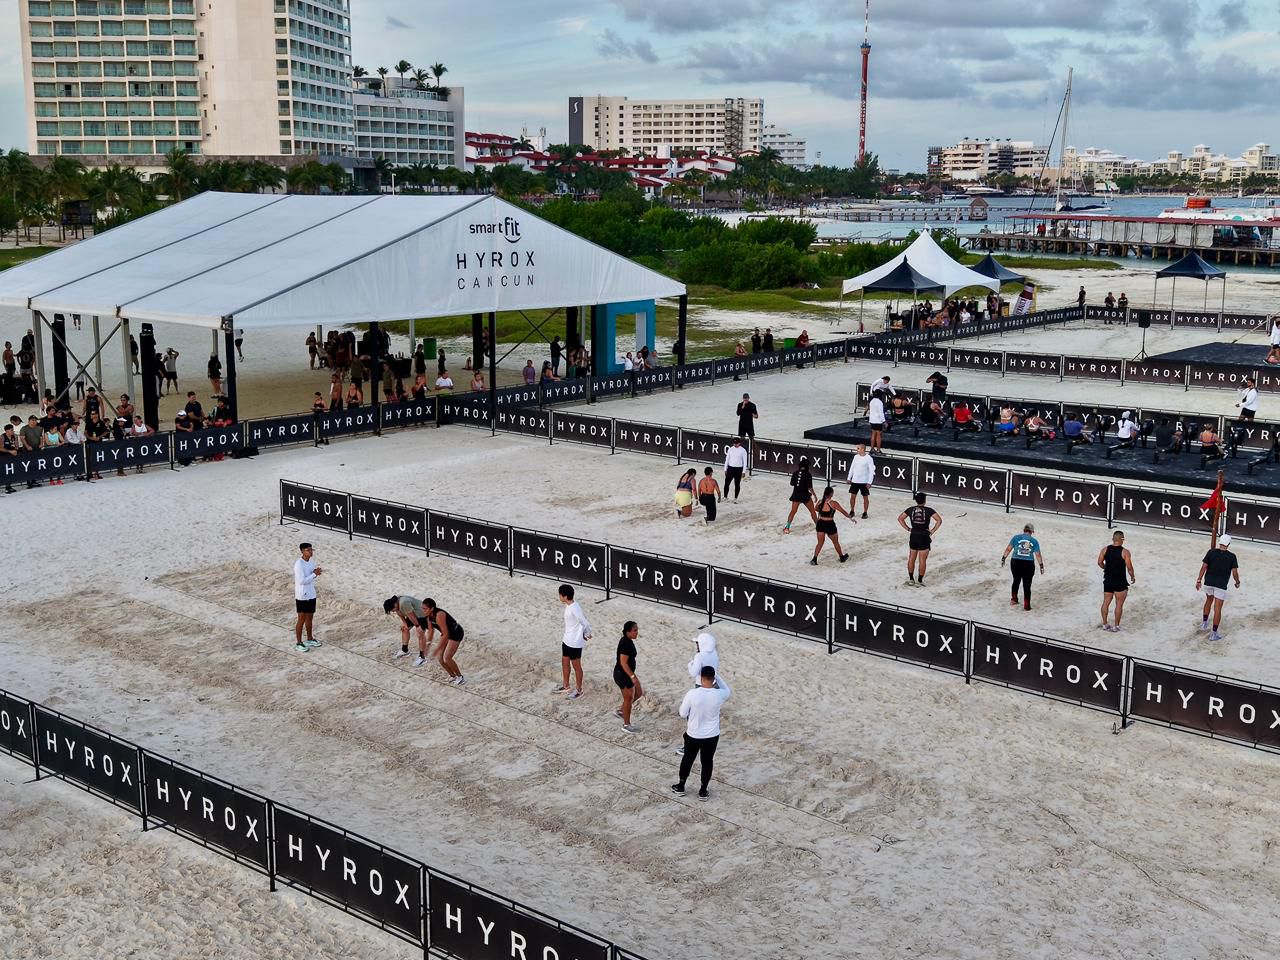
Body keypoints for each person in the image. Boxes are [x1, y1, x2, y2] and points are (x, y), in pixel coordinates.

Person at [672, 665, 731, 801]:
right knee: (707, 762)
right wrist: (717, 676)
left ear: (700, 678)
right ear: (713, 679)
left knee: (688, 759)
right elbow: (727, 689)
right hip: (711, 735)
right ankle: (703, 791)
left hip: (694, 734)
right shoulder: (719, 694)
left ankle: (681, 786)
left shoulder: (692, 694)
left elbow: (682, 713)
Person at [1196, 535, 1240, 642]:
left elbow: (1203, 567)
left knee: (1208, 601)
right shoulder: (1232, 556)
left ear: (1220, 542)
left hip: (1209, 582)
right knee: (1217, 608)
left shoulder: (1211, 552)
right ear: (1228, 544)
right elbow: (1234, 572)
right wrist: (1237, 582)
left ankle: (1204, 624)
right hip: (1221, 585)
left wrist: (1199, 580)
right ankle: (1214, 634)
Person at [555, 584, 592, 700]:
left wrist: (587, 633)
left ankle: (579, 690)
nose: (559, 597)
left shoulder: (575, 608)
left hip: (575, 642)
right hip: (567, 639)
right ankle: (566, 686)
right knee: (565, 661)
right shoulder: (570, 605)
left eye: (560, 595)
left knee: (577, 667)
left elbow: (584, 622)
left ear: (565, 596)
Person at [898, 492, 941, 587]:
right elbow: (939, 520)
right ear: (924, 501)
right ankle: (920, 581)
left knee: (911, 558)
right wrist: (932, 531)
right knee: (922, 560)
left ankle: (911, 579)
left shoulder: (910, 509)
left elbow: (900, 519)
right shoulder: (929, 510)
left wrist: (908, 529)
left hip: (913, 535)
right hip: (924, 536)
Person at [1097, 530, 1135, 633]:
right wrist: (1132, 576)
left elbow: (1099, 562)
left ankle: (1105, 624)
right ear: (1122, 540)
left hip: (1108, 580)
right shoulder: (1125, 552)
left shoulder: (1105, 549)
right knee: (1119, 604)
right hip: (1120, 581)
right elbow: (1129, 568)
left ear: (1113, 539)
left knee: (1106, 602)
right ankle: (1116, 626)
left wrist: (1106, 568)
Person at [1001, 523, 1044, 610]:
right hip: (1028, 564)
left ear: (1024, 530)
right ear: (1032, 531)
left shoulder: (1016, 537)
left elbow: (1008, 549)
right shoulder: (1034, 541)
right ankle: (1026, 606)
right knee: (1027, 584)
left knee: (1016, 580)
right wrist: (1041, 565)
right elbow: (1038, 554)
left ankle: (1014, 600)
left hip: (1015, 562)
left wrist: (1003, 558)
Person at [422, 598, 465, 684]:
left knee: (447, 658)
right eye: (422, 608)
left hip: (456, 633)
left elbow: (446, 634)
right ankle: (453, 676)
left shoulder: (439, 615)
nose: (423, 611)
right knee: (440, 658)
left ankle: (460, 677)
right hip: (446, 633)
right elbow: (431, 631)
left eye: (425, 609)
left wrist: (436, 649)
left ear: (432, 608)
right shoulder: (428, 618)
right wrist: (428, 644)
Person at [811, 486, 852, 565]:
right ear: (831, 494)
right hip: (830, 524)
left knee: (820, 543)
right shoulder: (833, 503)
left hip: (820, 523)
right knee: (835, 542)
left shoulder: (820, 501)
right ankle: (841, 557)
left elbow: (816, 509)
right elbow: (843, 511)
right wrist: (850, 517)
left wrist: (822, 512)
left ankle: (814, 559)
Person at [613, 620, 643, 733]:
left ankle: (622, 711)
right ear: (628, 632)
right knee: (628, 698)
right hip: (622, 674)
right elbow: (623, 663)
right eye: (635, 630)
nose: (637, 632)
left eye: (637, 630)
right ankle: (626, 725)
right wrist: (632, 676)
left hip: (627, 673)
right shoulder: (625, 643)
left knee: (638, 693)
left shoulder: (628, 641)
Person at [293, 543, 323, 653]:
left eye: (311, 550)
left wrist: (315, 573)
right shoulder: (299, 564)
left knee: (310, 618)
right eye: (308, 550)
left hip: (311, 594)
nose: (310, 552)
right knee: (301, 619)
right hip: (302, 595)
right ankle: (299, 643)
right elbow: (302, 581)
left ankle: (309, 639)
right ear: (302, 551)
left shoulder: (311, 562)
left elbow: (310, 576)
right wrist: (315, 574)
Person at [384, 595, 429, 660]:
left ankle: (422, 657)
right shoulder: (396, 603)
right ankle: (405, 651)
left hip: (423, 615)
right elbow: (400, 613)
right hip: (414, 614)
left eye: (392, 610)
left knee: (420, 634)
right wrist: (405, 624)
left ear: (395, 604)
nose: (393, 611)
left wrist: (417, 626)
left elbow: (411, 616)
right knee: (405, 629)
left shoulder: (403, 603)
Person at [784, 462, 816, 533]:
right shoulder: (808, 474)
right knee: (812, 511)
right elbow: (810, 488)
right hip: (805, 495)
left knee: (793, 511)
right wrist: (814, 495)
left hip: (796, 495)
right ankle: (818, 526)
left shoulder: (795, 473)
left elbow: (792, 483)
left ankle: (787, 528)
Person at [846, 443, 875, 518]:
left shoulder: (869, 458)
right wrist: (849, 478)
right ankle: (852, 511)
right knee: (852, 496)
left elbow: (871, 471)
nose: (857, 450)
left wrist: (869, 482)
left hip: (864, 481)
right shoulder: (855, 457)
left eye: (858, 448)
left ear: (863, 449)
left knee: (865, 497)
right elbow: (852, 468)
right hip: (855, 480)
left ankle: (865, 512)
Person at [723, 436, 748, 501]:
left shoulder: (743, 450)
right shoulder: (730, 449)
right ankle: (725, 497)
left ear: (739, 443)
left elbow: (745, 462)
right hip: (730, 468)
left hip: (738, 469)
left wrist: (744, 472)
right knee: (726, 483)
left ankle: (735, 498)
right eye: (734, 443)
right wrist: (725, 469)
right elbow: (727, 460)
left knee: (737, 484)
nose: (735, 444)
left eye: (736, 443)